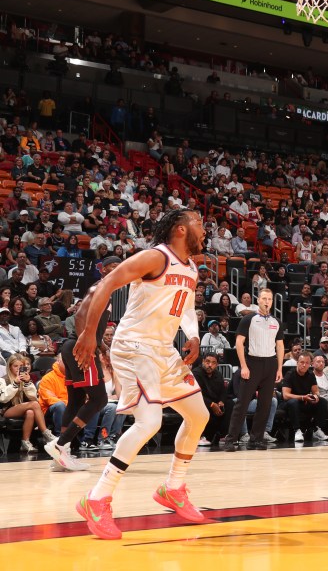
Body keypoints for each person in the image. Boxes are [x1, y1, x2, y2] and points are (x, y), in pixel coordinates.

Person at [72, 209, 209, 541]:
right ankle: (97, 498)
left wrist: (192, 335)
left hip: (162, 349)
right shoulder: (154, 257)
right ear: (180, 229)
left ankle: (173, 488)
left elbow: (186, 306)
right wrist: (90, 332)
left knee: (199, 416)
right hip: (134, 345)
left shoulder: (190, 267)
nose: (204, 229)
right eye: (198, 223)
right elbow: (105, 284)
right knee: (150, 422)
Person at [223, 288, 284, 451]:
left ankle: (256, 439)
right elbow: (239, 343)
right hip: (252, 363)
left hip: (270, 365)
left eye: (269, 299)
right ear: (258, 300)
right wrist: (243, 365)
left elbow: (280, 345)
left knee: (265, 404)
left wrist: (279, 368)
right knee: (242, 403)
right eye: (264, 298)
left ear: (272, 301)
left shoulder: (276, 321)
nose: (267, 302)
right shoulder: (249, 319)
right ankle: (231, 439)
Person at [1, 353, 55, 452]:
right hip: (7, 410)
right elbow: (3, 399)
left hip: (24, 407)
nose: (18, 368)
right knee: (34, 405)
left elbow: (33, 397)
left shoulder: (26, 378)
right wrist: (15, 383)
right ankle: (45, 433)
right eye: (15, 366)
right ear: (10, 367)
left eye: (21, 366)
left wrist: (27, 382)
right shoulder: (4, 380)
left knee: (30, 412)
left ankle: (25, 442)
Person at [193, 354, 233, 446]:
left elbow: (223, 392)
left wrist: (221, 402)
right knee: (197, 405)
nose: (210, 365)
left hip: (214, 404)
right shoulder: (196, 373)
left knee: (230, 404)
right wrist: (211, 404)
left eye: (213, 363)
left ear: (217, 365)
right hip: (201, 402)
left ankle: (224, 436)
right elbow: (197, 394)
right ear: (203, 362)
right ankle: (199, 436)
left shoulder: (218, 374)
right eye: (207, 362)